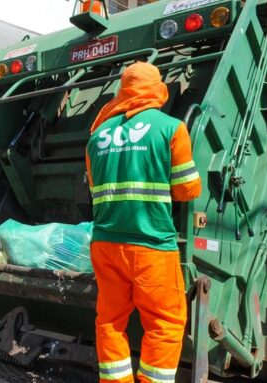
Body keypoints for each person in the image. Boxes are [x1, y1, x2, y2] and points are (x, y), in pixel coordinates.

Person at [85, 62, 201, 383]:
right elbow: (186, 189)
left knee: (109, 322)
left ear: (122, 92)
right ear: (158, 90)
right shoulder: (171, 128)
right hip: (151, 246)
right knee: (164, 324)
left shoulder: (97, 137)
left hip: (106, 244)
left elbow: (95, 188)